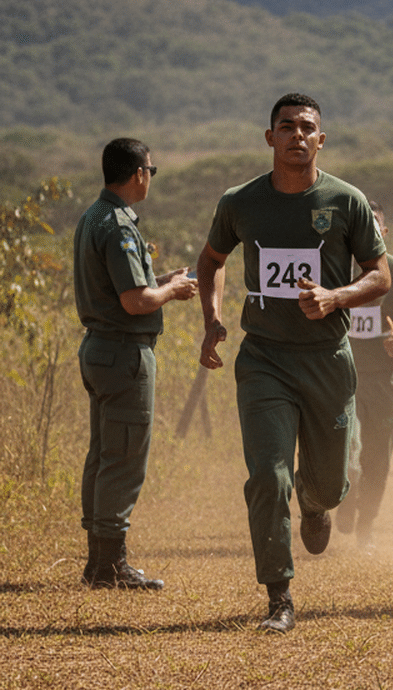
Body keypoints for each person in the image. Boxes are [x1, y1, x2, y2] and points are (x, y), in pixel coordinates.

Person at [197, 93, 390, 633]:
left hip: (327, 358)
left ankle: (315, 500)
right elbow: (212, 259)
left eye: (308, 128)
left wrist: (336, 297)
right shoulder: (241, 201)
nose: (297, 135)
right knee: (267, 475)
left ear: (321, 140)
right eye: (287, 127)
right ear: (270, 138)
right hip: (264, 358)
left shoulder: (346, 200)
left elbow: (381, 275)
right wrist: (212, 319)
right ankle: (278, 596)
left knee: (329, 483)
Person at [73, 138, 198, 590]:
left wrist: (163, 281)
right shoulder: (121, 226)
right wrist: (172, 292)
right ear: (137, 174)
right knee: (124, 459)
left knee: (103, 454)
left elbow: (126, 287)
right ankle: (110, 565)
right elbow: (136, 300)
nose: (150, 178)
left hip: (100, 349)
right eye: (151, 170)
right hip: (124, 353)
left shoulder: (93, 216)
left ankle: (96, 561)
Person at [335, 201, 393, 550]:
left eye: (374, 226)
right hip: (339, 377)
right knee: (347, 453)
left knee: (377, 458)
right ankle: (343, 500)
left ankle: (367, 527)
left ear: (384, 233)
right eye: (361, 226)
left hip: (382, 381)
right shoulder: (334, 268)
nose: (368, 233)